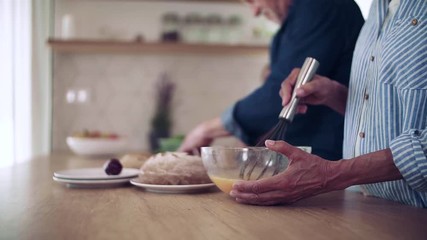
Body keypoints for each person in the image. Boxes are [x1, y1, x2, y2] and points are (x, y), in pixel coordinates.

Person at [230, 0, 427, 208]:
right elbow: (387, 112)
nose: (254, 11)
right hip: (364, 207)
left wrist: (331, 174)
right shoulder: (377, 10)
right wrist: (334, 94)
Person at [178, 0, 365, 161]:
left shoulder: (321, 7)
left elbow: (278, 95)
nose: (255, 12)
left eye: (252, 1)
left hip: (327, 157)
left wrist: (205, 130)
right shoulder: (301, 16)